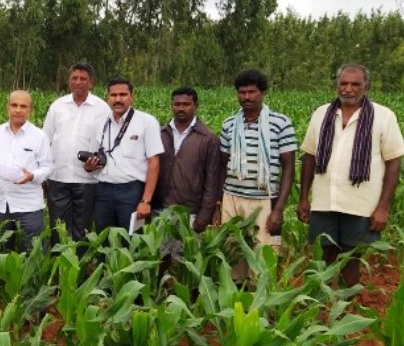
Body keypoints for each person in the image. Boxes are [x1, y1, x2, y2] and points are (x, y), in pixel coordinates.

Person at [298, 64, 404, 287]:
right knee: (325, 256)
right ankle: (323, 309)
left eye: (355, 84)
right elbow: (309, 157)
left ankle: (345, 312)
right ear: (337, 85)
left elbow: (393, 163)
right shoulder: (321, 114)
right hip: (324, 201)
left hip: (360, 204)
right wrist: (303, 198)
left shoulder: (383, 117)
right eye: (343, 83)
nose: (348, 89)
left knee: (351, 259)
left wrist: (383, 207)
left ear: (367, 86)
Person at [219, 69, 296, 281]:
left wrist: (278, 210)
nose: (246, 97)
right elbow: (222, 165)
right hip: (232, 198)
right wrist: (219, 203)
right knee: (232, 252)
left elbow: (288, 168)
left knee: (263, 258)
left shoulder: (280, 123)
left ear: (263, 93)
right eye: (242, 92)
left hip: (264, 199)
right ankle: (236, 301)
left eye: (252, 92)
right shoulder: (229, 124)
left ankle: (261, 306)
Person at [84, 77, 163, 232]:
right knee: (103, 239)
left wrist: (146, 201)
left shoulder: (147, 122)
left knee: (132, 241)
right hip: (103, 191)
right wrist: (89, 166)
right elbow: (93, 158)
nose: (118, 99)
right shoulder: (100, 123)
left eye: (123, 95)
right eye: (113, 95)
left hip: (132, 191)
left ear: (131, 97)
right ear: (108, 97)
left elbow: (154, 163)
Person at [42, 63, 110, 242]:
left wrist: (96, 162)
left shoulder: (102, 109)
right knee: (58, 229)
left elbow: (108, 145)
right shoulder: (57, 106)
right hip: (58, 178)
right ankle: (59, 268)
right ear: (69, 81)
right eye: (74, 78)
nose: (78, 82)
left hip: (87, 180)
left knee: (83, 230)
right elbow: (45, 140)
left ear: (91, 83)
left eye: (83, 79)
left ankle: (80, 268)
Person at [0, 90, 52, 252]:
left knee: (32, 251)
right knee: (2, 250)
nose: (18, 110)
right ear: (7, 108)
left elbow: (48, 168)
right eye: (14, 105)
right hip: (1, 204)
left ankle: (32, 278)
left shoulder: (39, 136)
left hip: (28, 205)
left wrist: (32, 175)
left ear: (30, 110)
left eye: (23, 106)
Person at [154, 86, 221, 232]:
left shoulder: (208, 139)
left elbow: (212, 181)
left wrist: (203, 216)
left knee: (186, 254)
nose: (181, 108)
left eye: (186, 104)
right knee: (158, 254)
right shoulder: (160, 134)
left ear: (196, 106)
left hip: (189, 214)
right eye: (177, 104)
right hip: (159, 211)